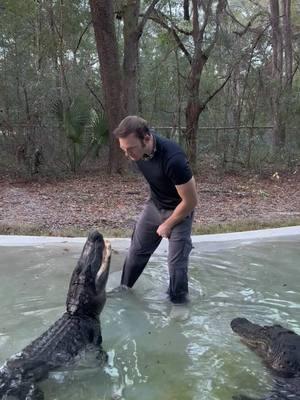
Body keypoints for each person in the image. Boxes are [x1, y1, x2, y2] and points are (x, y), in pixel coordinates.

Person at [113, 116, 198, 304]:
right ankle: (124, 291)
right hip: (155, 205)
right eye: (123, 150)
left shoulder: (173, 158)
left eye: (131, 149)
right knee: (136, 252)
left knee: (176, 264)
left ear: (147, 138)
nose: (128, 154)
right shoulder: (136, 151)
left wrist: (168, 224)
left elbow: (191, 201)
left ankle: (179, 306)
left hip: (180, 210)